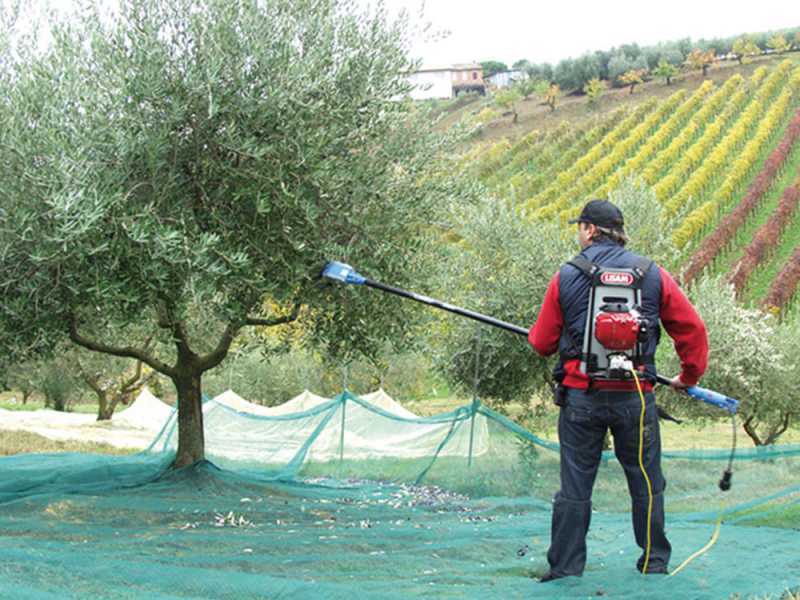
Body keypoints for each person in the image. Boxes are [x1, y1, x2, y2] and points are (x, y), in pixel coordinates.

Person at [528, 199, 709, 581]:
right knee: (645, 481)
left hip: (581, 398)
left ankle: (564, 568)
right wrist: (688, 377)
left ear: (591, 230)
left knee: (575, 487)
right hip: (636, 399)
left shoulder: (567, 274)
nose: (578, 233)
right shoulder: (652, 274)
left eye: (580, 226)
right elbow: (692, 330)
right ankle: (654, 562)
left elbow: (542, 342)